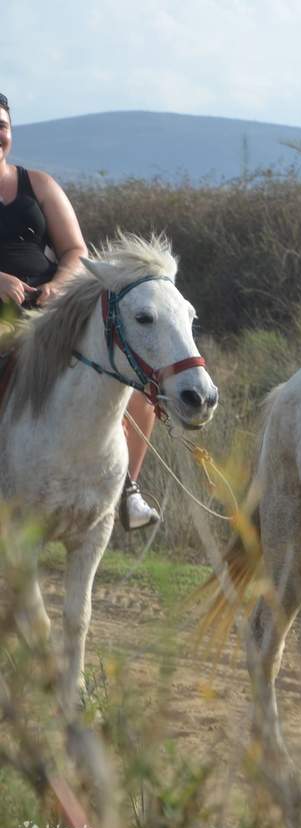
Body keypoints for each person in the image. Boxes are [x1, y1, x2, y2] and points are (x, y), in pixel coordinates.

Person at [0, 92, 162, 531]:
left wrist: (58, 284)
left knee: (131, 375)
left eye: (1, 125)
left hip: (51, 311)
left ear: (10, 132)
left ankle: (127, 488)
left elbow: (75, 249)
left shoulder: (39, 185)